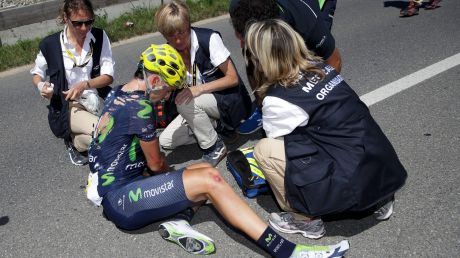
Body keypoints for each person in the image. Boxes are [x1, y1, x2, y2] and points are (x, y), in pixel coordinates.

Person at [86, 43, 349, 258]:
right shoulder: (141, 109)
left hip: (117, 190)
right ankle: (289, 252)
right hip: (121, 199)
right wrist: (170, 176)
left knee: (201, 170)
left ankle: (179, 220)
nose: (167, 97)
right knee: (209, 180)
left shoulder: (119, 92)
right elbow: (156, 165)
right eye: (167, 89)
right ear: (154, 79)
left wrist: (174, 177)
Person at [243, 19, 407, 239]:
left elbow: (286, 148)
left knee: (265, 150)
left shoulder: (278, 99)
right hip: (383, 167)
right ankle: (380, 199)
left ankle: (305, 219)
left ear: (261, 59)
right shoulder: (324, 68)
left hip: (353, 182)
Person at [154, 0, 252, 166]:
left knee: (186, 103)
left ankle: (214, 146)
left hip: (229, 100)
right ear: (164, 35)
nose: (178, 41)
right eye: (171, 36)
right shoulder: (167, 52)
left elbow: (233, 78)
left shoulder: (209, 38)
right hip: (199, 103)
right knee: (165, 141)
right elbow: (169, 89)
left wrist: (198, 89)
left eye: (182, 33)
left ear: (189, 25)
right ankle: (216, 127)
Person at [229, 0, 342, 135]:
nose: (241, 44)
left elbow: (334, 60)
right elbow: (250, 58)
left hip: (314, 5)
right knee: (254, 54)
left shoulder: (301, 15)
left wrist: (315, 100)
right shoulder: (237, 7)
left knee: (310, 58)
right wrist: (265, 105)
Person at [30, 0, 114, 166]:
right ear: (66, 18)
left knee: (110, 136)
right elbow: (37, 73)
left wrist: (85, 84)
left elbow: (108, 76)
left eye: (88, 22)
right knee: (106, 132)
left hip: (96, 99)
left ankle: (76, 142)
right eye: (78, 23)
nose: (84, 28)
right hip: (68, 105)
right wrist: (42, 86)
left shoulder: (99, 36)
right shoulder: (51, 44)